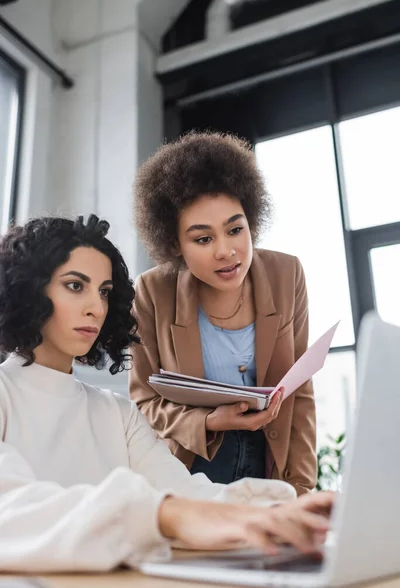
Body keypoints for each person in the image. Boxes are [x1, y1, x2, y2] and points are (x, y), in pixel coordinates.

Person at [0, 214, 332, 573]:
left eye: (105, 292)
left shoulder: (117, 413)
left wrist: (283, 508)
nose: (96, 307)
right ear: (28, 289)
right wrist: (161, 513)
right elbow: (11, 508)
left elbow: (186, 495)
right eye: (76, 286)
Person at [131, 131, 317, 495]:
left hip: (270, 458)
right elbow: (144, 401)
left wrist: (300, 488)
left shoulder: (287, 274)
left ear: (252, 221)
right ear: (174, 244)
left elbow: (301, 390)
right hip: (192, 466)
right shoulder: (152, 292)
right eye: (203, 239)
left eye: (235, 229)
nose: (226, 251)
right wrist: (208, 420)